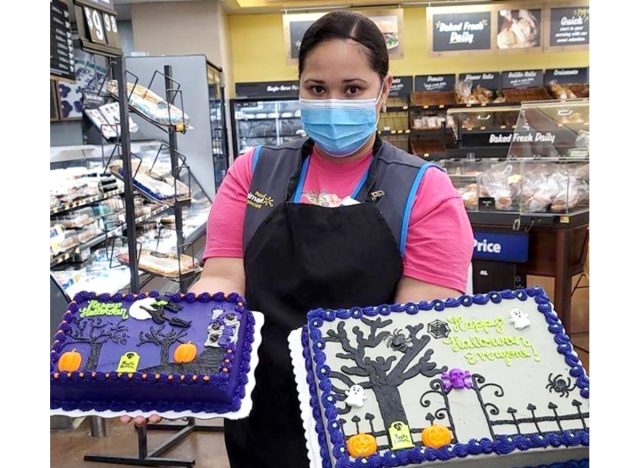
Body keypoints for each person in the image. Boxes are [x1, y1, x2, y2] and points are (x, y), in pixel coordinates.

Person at [122, 10, 474, 468]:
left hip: (373, 419)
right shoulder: (253, 171)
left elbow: (417, 328)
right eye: (316, 89)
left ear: (384, 90)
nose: (332, 103)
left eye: (352, 89)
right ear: (299, 88)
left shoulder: (425, 190)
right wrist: (175, 358)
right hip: (263, 406)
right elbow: (223, 277)